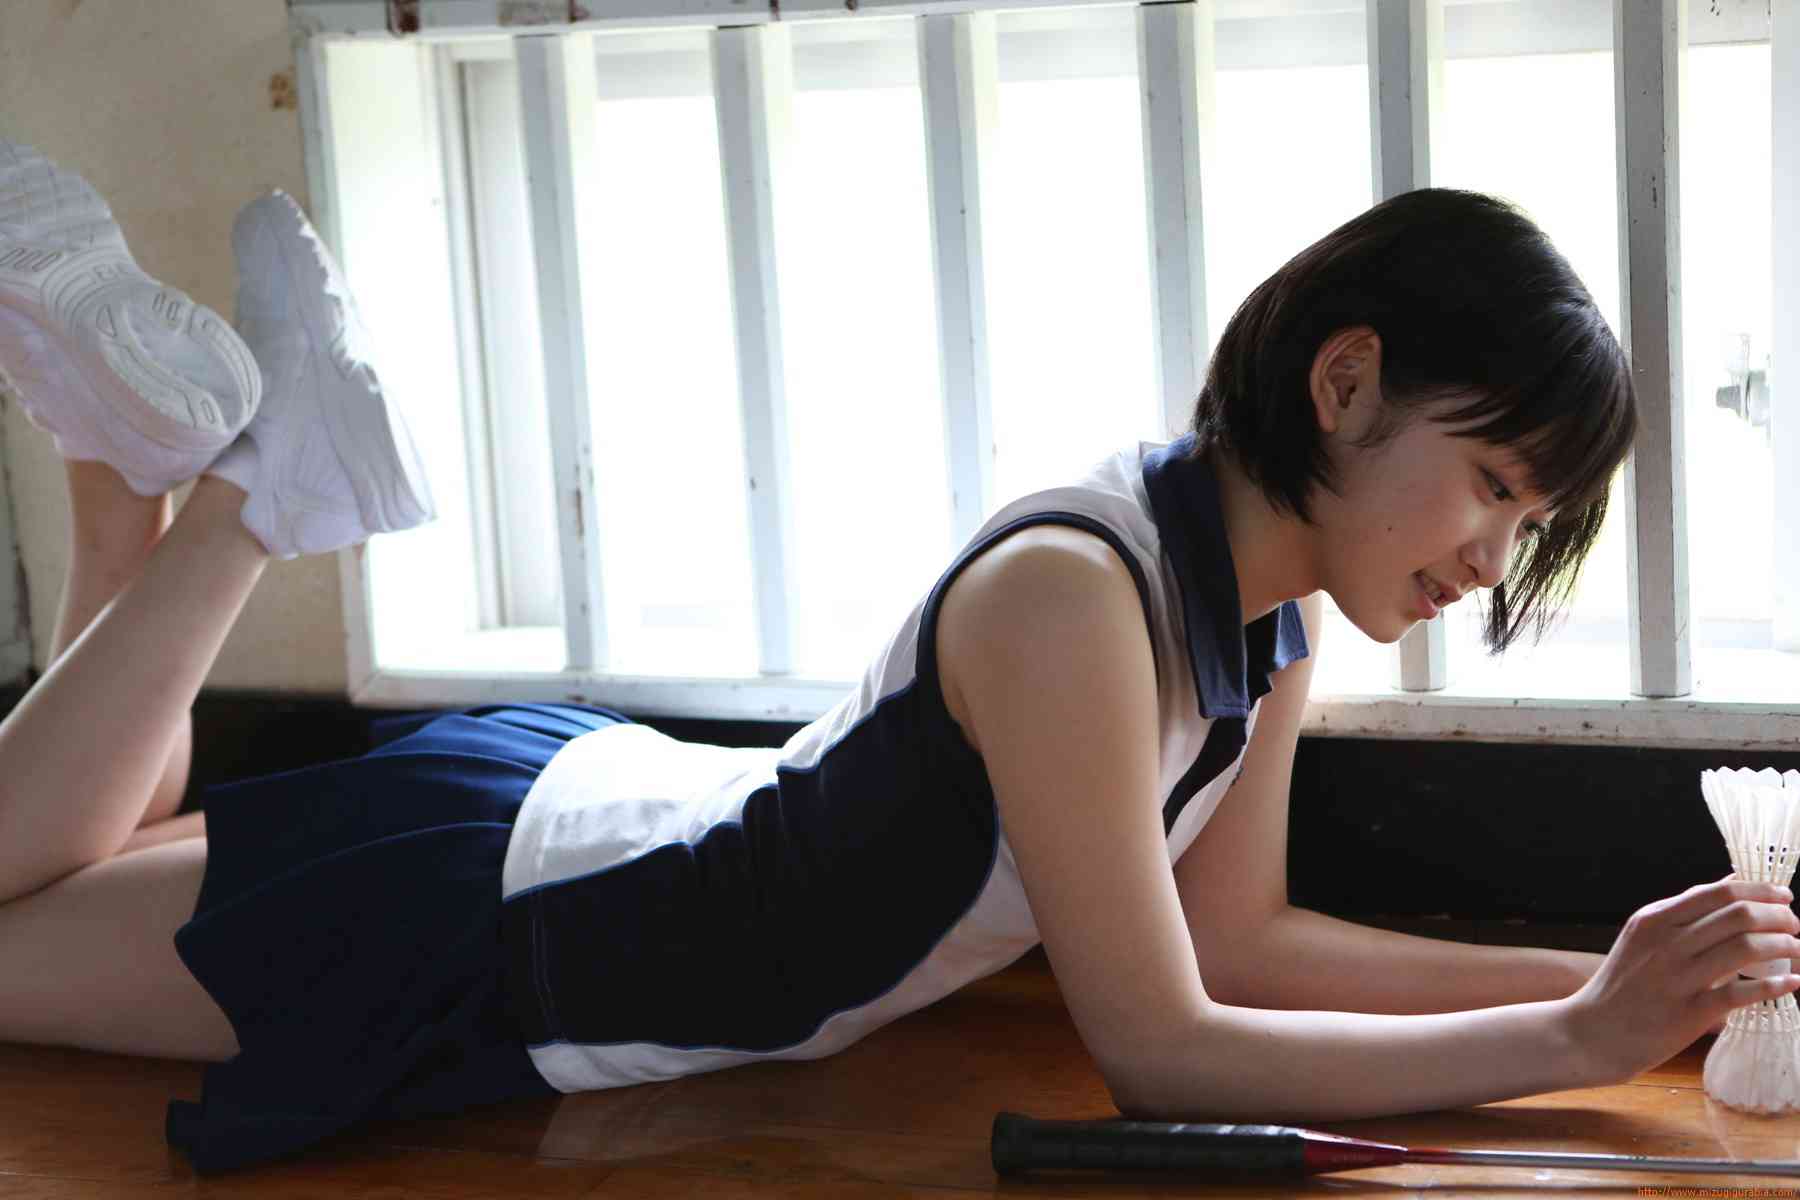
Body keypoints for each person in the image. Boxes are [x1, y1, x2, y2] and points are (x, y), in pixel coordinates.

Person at [0, 136, 1795, 1175]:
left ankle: (118, 469)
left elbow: (1242, 945)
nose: (1492, 562)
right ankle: (261, 503)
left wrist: (1636, 990)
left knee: (59, 862)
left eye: (1528, 522)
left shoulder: (1261, 616)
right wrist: (1580, 1033)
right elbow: (1163, 1049)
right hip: (508, 920)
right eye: (1496, 488)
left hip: (575, 832)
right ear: (1346, 382)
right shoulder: (1078, 602)